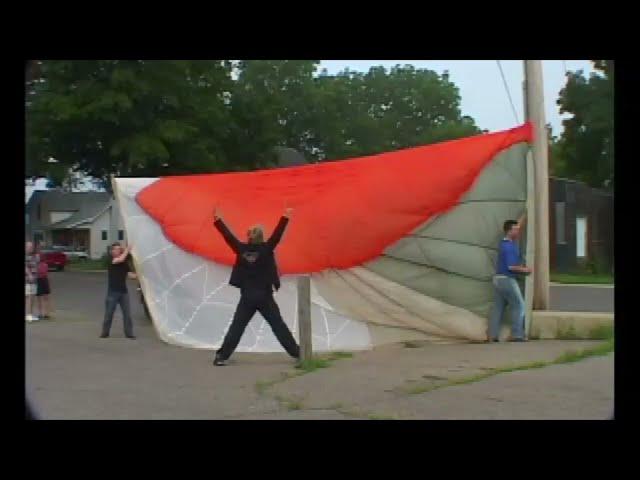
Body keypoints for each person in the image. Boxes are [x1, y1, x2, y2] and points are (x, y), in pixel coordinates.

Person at [212, 206, 300, 366]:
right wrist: (285, 217)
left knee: (237, 326)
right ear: (261, 237)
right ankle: (298, 353)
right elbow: (277, 236)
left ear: (249, 237)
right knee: (278, 326)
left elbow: (228, 237)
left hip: (247, 297)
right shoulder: (267, 249)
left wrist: (218, 220)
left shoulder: (240, 249)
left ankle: (222, 357)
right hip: (265, 297)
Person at [488, 214, 532, 342]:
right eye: (516, 229)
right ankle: (517, 334)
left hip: (498, 279)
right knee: (519, 305)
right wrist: (526, 270)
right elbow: (511, 267)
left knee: (498, 308)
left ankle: (492, 335)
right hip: (507, 279)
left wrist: (522, 218)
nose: (518, 231)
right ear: (509, 231)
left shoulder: (505, 243)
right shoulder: (509, 248)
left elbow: (516, 229)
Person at [100, 242, 138, 339]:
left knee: (127, 314)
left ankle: (129, 333)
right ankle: (105, 332)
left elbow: (130, 275)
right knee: (109, 314)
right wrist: (127, 249)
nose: (118, 250)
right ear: (112, 251)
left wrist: (139, 275)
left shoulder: (124, 263)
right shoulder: (111, 260)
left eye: (119, 249)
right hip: (112, 292)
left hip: (123, 292)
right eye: (115, 249)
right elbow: (119, 259)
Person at [36, 249, 52, 320]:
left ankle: (46, 313)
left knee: (46, 297)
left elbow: (43, 273)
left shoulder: (44, 265)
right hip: (39, 280)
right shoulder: (36, 265)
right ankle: (40, 313)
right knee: (39, 298)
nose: (37, 258)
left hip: (43, 280)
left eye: (38, 257)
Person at [25, 241, 39, 322]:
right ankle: (28, 315)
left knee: (33, 297)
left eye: (31, 247)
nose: (30, 248)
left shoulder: (33, 256)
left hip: (34, 279)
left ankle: (30, 314)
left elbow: (36, 265)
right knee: (29, 297)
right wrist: (29, 274)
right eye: (29, 247)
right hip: (27, 280)